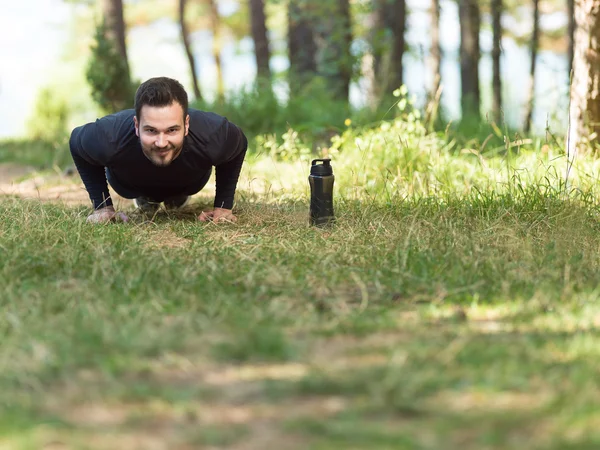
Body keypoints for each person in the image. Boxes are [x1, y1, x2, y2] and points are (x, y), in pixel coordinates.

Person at [69, 76, 247, 224]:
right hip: (129, 185)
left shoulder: (212, 133)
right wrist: (102, 207)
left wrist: (223, 207)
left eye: (172, 130)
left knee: (177, 197)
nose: (161, 143)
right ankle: (145, 198)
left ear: (186, 124)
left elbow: (239, 146)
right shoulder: (109, 136)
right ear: (137, 125)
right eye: (151, 130)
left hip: (188, 183)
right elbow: (76, 142)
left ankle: (177, 197)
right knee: (141, 191)